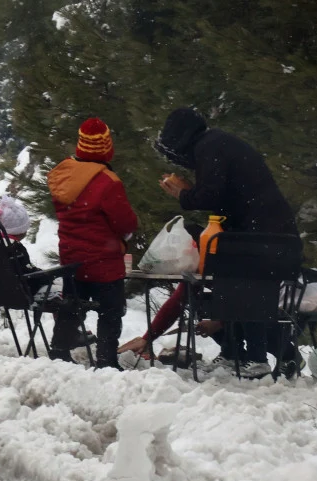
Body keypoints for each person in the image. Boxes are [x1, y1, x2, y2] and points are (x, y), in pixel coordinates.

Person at [120, 107, 301, 378]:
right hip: (267, 234)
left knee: (238, 287)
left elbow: (211, 196)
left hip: (265, 238)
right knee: (229, 287)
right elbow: (224, 195)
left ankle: (256, 358)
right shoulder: (216, 144)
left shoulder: (209, 147)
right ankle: (235, 353)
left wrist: (183, 193)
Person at [47, 117, 138, 368]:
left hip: (72, 260)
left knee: (71, 306)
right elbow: (126, 224)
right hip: (103, 262)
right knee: (110, 311)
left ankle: (59, 351)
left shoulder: (62, 176)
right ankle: (106, 360)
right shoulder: (108, 182)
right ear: (107, 148)